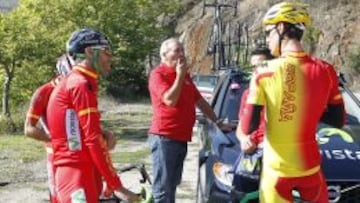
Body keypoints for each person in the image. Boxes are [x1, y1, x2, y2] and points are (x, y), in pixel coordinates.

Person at [240, 2, 345, 203]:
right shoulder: (326, 70)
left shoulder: (264, 71)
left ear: (280, 28)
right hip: (310, 168)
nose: (267, 39)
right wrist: (305, 107)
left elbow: (248, 126)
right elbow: (338, 120)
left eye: (268, 32)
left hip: (277, 171)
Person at [46, 28, 140, 203]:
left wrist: (103, 133)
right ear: (89, 52)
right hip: (76, 175)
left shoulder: (80, 82)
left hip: (80, 171)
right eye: (106, 51)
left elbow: (77, 130)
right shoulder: (80, 84)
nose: (110, 57)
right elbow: (92, 139)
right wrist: (117, 186)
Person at [148, 38, 235, 203]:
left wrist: (218, 122)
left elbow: (200, 101)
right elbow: (169, 100)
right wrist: (180, 76)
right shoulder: (158, 74)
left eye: (182, 50)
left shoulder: (185, 76)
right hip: (164, 137)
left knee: (172, 184)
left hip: (181, 138)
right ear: (164, 54)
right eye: (177, 50)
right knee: (162, 189)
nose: (181, 54)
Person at [24, 54, 74, 203]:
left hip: (80, 153)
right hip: (56, 154)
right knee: (58, 196)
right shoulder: (43, 92)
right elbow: (28, 129)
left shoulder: (80, 88)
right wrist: (55, 140)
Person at [236, 46, 273, 154]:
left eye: (261, 65)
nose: (256, 70)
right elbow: (241, 127)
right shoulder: (247, 94)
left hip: (275, 150)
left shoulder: (282, 92)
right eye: (253, 67)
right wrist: (243, 139)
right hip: (253, 152)